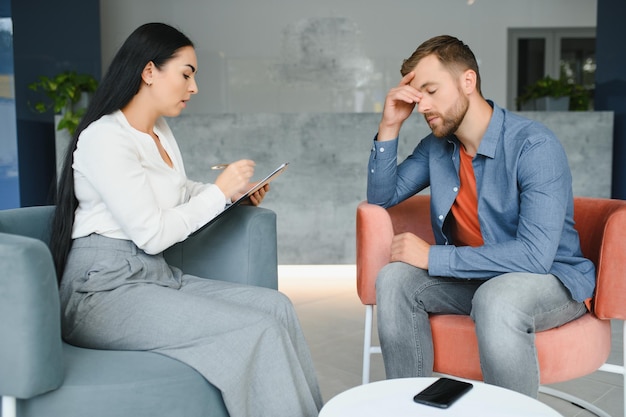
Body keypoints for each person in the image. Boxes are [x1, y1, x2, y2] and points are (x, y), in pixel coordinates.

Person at [50, 22, 322, 417]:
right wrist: (216, 192)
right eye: (186, 74)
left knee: (276, 308)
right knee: (257, 330)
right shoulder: (105, 137)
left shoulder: (159, 133)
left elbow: (177, 194)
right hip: (101, 291)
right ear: (148, 72)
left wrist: (229, 195)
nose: (193, 88)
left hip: (153, 277)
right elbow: (153, 233)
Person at [367, 34, 595, 398]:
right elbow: (381, 197)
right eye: (417, 95)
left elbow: (535, 256)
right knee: (394, 279)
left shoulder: (534, 146)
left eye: (430, 90)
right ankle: (408, 406)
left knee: (497, 297)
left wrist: (432, 257)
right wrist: (390, 125)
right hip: (478, 278)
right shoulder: (437, 148)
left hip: (550, 279)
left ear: (467, 81)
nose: (423, 105)